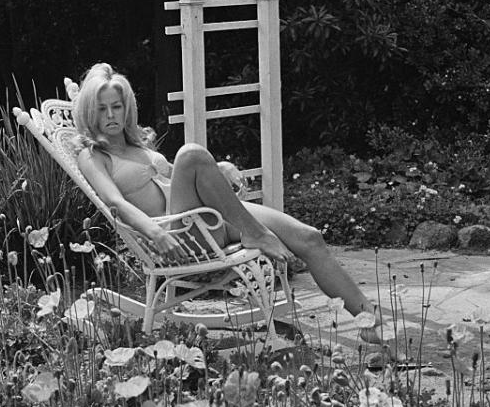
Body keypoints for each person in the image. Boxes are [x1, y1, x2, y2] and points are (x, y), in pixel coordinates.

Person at [73, 62, 385, 342]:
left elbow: (175, 183)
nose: (111, 115)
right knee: (191, 153)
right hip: (181, 236)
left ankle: (371, 321)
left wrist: (217, 173)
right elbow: (115, 203)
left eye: (116, 106)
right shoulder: (94, 155)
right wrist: (155, 233)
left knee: (309, 237)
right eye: (102, 109)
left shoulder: (137, 146)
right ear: (90, 112)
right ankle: (255, 233)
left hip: (207, 219)